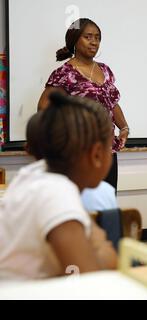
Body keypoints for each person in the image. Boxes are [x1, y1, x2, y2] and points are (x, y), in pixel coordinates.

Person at [0, 93, 117, 280]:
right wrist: (103, 248)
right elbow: (89, 281)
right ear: (96, 154)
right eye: (110, 147)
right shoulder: (56, 193)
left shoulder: (33, 175)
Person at [37, 18, 129, 191]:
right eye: (88, 37)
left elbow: (112, 103)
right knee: (82, 206)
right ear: (74, 39)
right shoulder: (64, 73)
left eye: (97, 37)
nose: (94, 42)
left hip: (107, 152)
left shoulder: (105, 70)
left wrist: (124, 128)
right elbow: (43, 109)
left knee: (106, 206)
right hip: (79, 154)